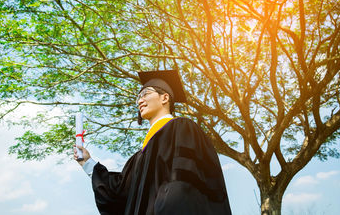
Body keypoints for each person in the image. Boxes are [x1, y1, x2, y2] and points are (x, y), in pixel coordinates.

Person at [74, 70, 232, 215]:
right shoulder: (139, 157)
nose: (139, 101)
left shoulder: (182, 129)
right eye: (138, 97)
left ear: (165, 98)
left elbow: (186, 182)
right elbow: (119, 193)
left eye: (145, 94)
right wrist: (87, 162)